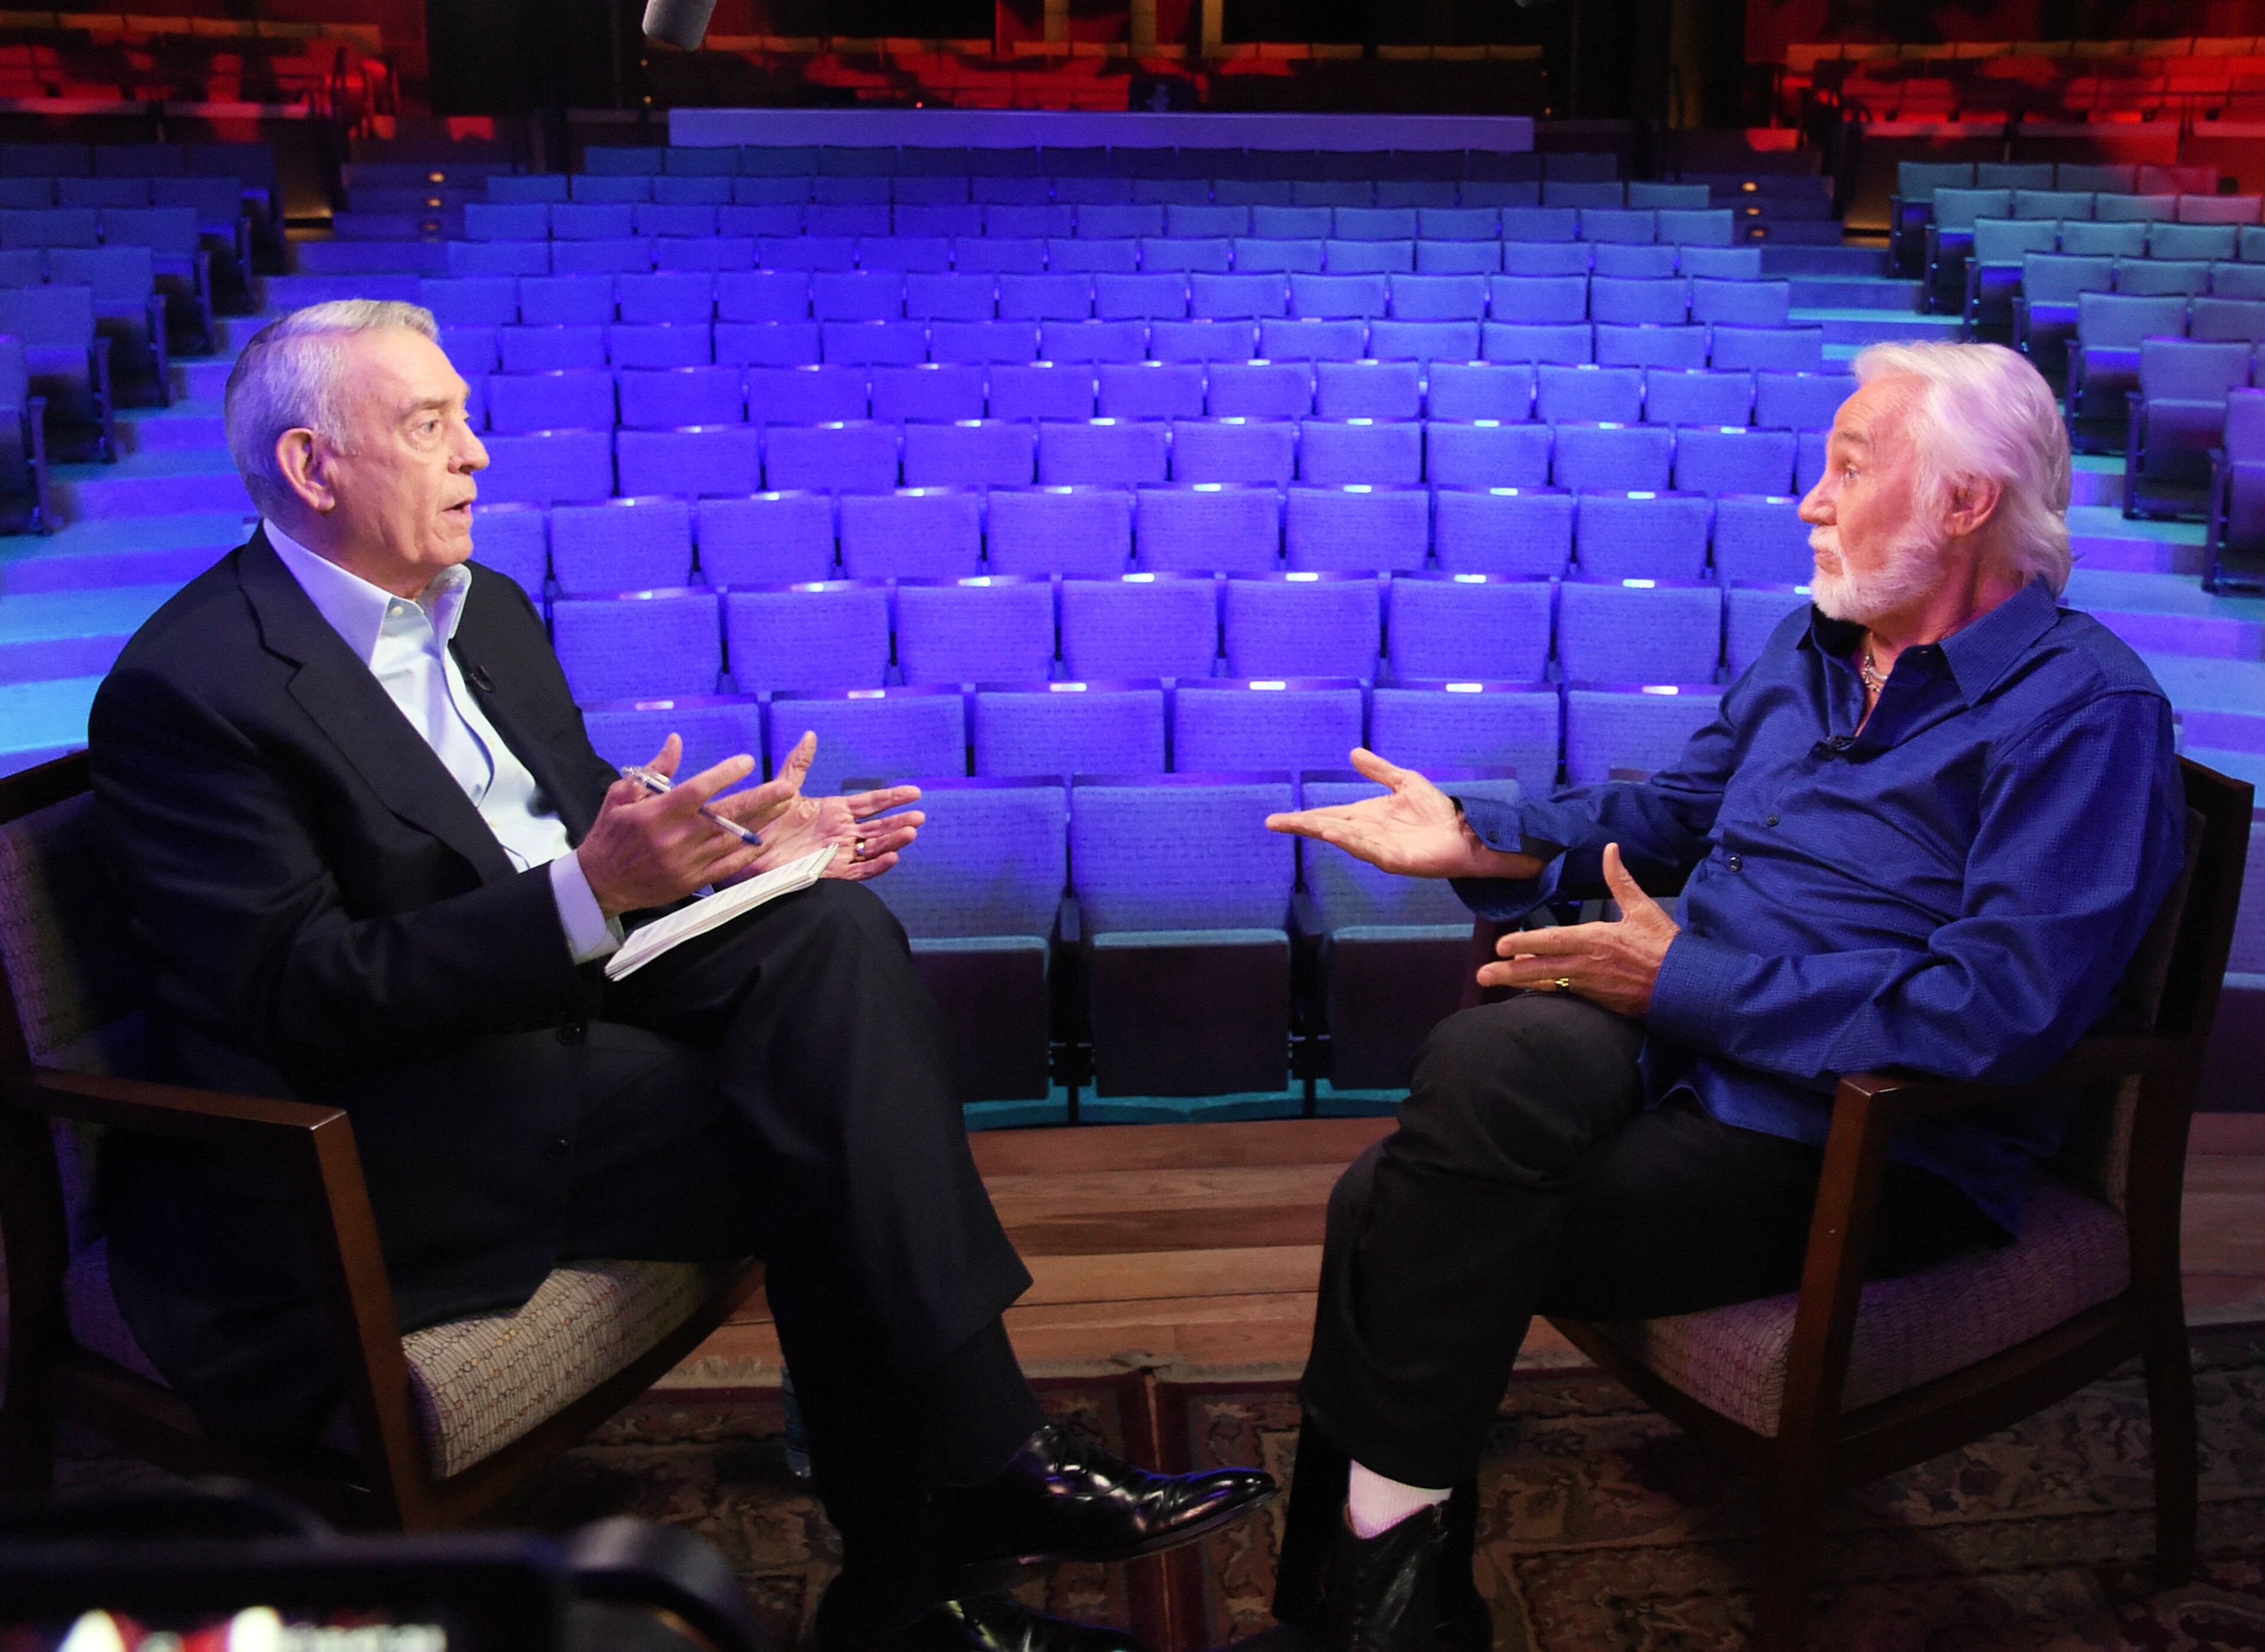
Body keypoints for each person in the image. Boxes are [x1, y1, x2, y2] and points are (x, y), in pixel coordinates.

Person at [86, 301, 1273, 1652]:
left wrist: (738, 852)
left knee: (827, 941)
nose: (475, 454)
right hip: (384, 1128)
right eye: (431, 427)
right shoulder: (192, 690)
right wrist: (603, 887)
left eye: (466, 418)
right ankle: (943, 1546)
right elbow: (300, 997)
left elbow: (563, 816)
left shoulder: (486, 611)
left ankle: (952, 1533)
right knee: (827, 1121)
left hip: (552, 1017)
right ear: (312, 468)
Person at [1259, 341, 2187, 1651]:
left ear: (1967, 501)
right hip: (1681, 1032)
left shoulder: (2089, 718)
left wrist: (1680, 979)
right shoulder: (1816, 646)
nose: (1812, 499)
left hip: (1864, 1135)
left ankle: (1360, 1610)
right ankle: (1389, 1612)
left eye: (1850, 467)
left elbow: (1995, 1011)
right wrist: (1478, 834)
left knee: (1388, 1209)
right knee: (1482, 1073)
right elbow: (1670, 816)